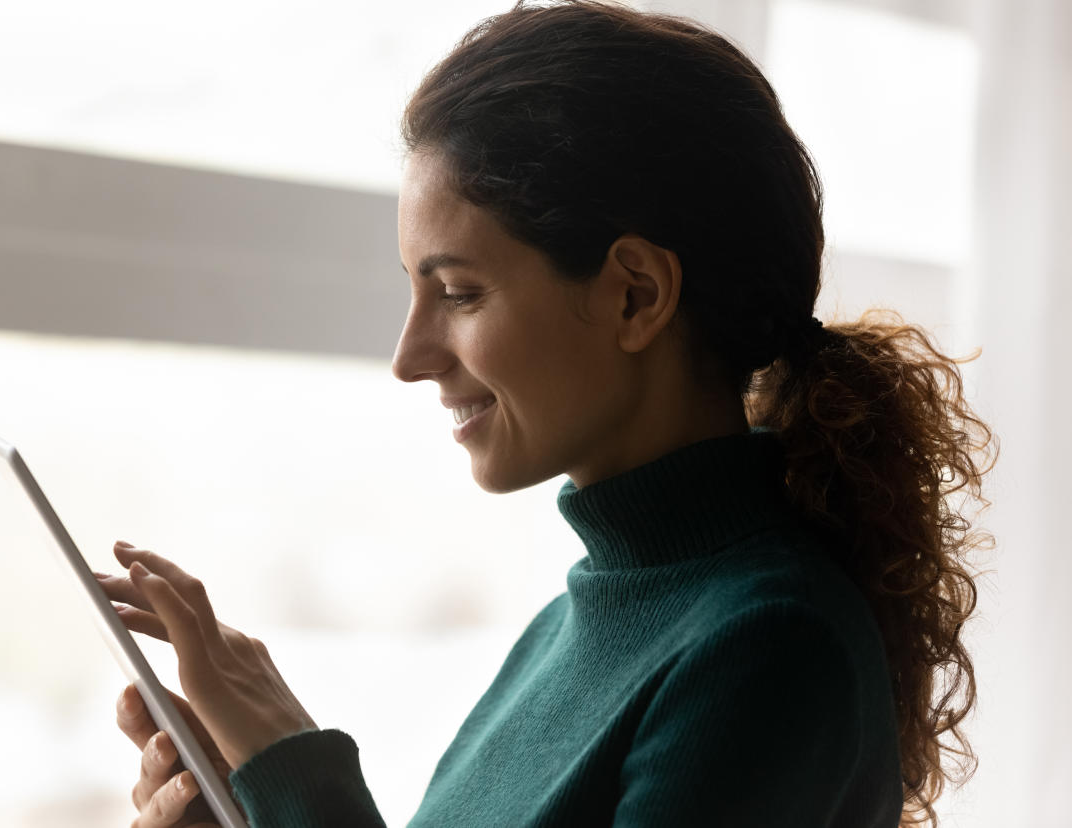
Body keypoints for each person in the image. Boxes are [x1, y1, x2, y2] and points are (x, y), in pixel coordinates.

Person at [95, 1, 997, 826]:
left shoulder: (770, 653)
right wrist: (261, 804)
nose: (409, 358)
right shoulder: (575, 623)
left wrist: (297, 772)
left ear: (635, 296)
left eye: (457, 292)